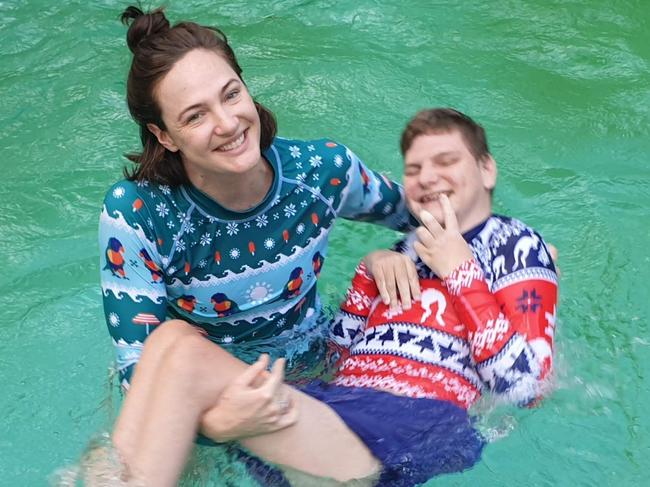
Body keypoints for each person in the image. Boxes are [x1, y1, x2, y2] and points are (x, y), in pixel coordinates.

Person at [96, 107, 558, 487]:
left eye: (446, 161)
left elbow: (526, 388)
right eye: (414, 169)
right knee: (170, 338)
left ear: (486, 167)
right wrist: (370, 270)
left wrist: (463, 272)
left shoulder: (517, 247)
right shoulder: (405, 249)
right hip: (341, 408)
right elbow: (340, 354)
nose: (428, 178)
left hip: (407, 430)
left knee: (185, 359)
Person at [99, 4, 422, 460]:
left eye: (231, 94)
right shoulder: (138, 214)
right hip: (201, 393)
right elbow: (140, 376)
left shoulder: (321, 172)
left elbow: (436, 219)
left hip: (316, 367)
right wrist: (218, 424)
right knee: (125, 443)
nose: (227, 124)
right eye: (195, 116)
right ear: (164, 134)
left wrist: (400, 256)